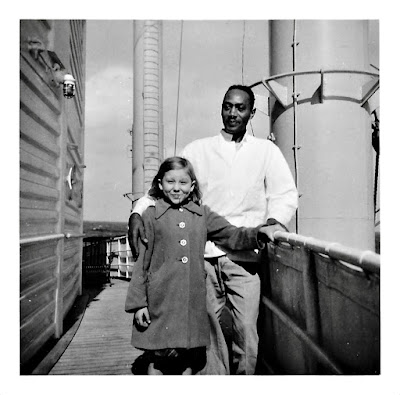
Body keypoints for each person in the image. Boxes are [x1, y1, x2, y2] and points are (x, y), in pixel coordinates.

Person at [129, 84, 298, 374]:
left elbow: (285, 194)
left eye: (240, 107)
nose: (232, 113)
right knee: (209, 335)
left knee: (246, 331)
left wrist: (273, 222)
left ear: (252, 112)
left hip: (244, 257)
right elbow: (169, 185)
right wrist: (137, 212)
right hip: (200, 259)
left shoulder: (265, 151)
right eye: (227, 106)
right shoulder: (198, 149)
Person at [125, 156, 272, 375]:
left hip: (191, 300)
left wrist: (257, 234)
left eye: (183, 183)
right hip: (159, 299)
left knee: (189, 355)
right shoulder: (150, 215)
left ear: (192, 185)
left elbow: (230, 234)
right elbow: (141, 263)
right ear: (159, 184)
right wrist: (138, 304)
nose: (176, 189)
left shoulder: (202, 214)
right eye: (170, 182)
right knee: (157, 357)